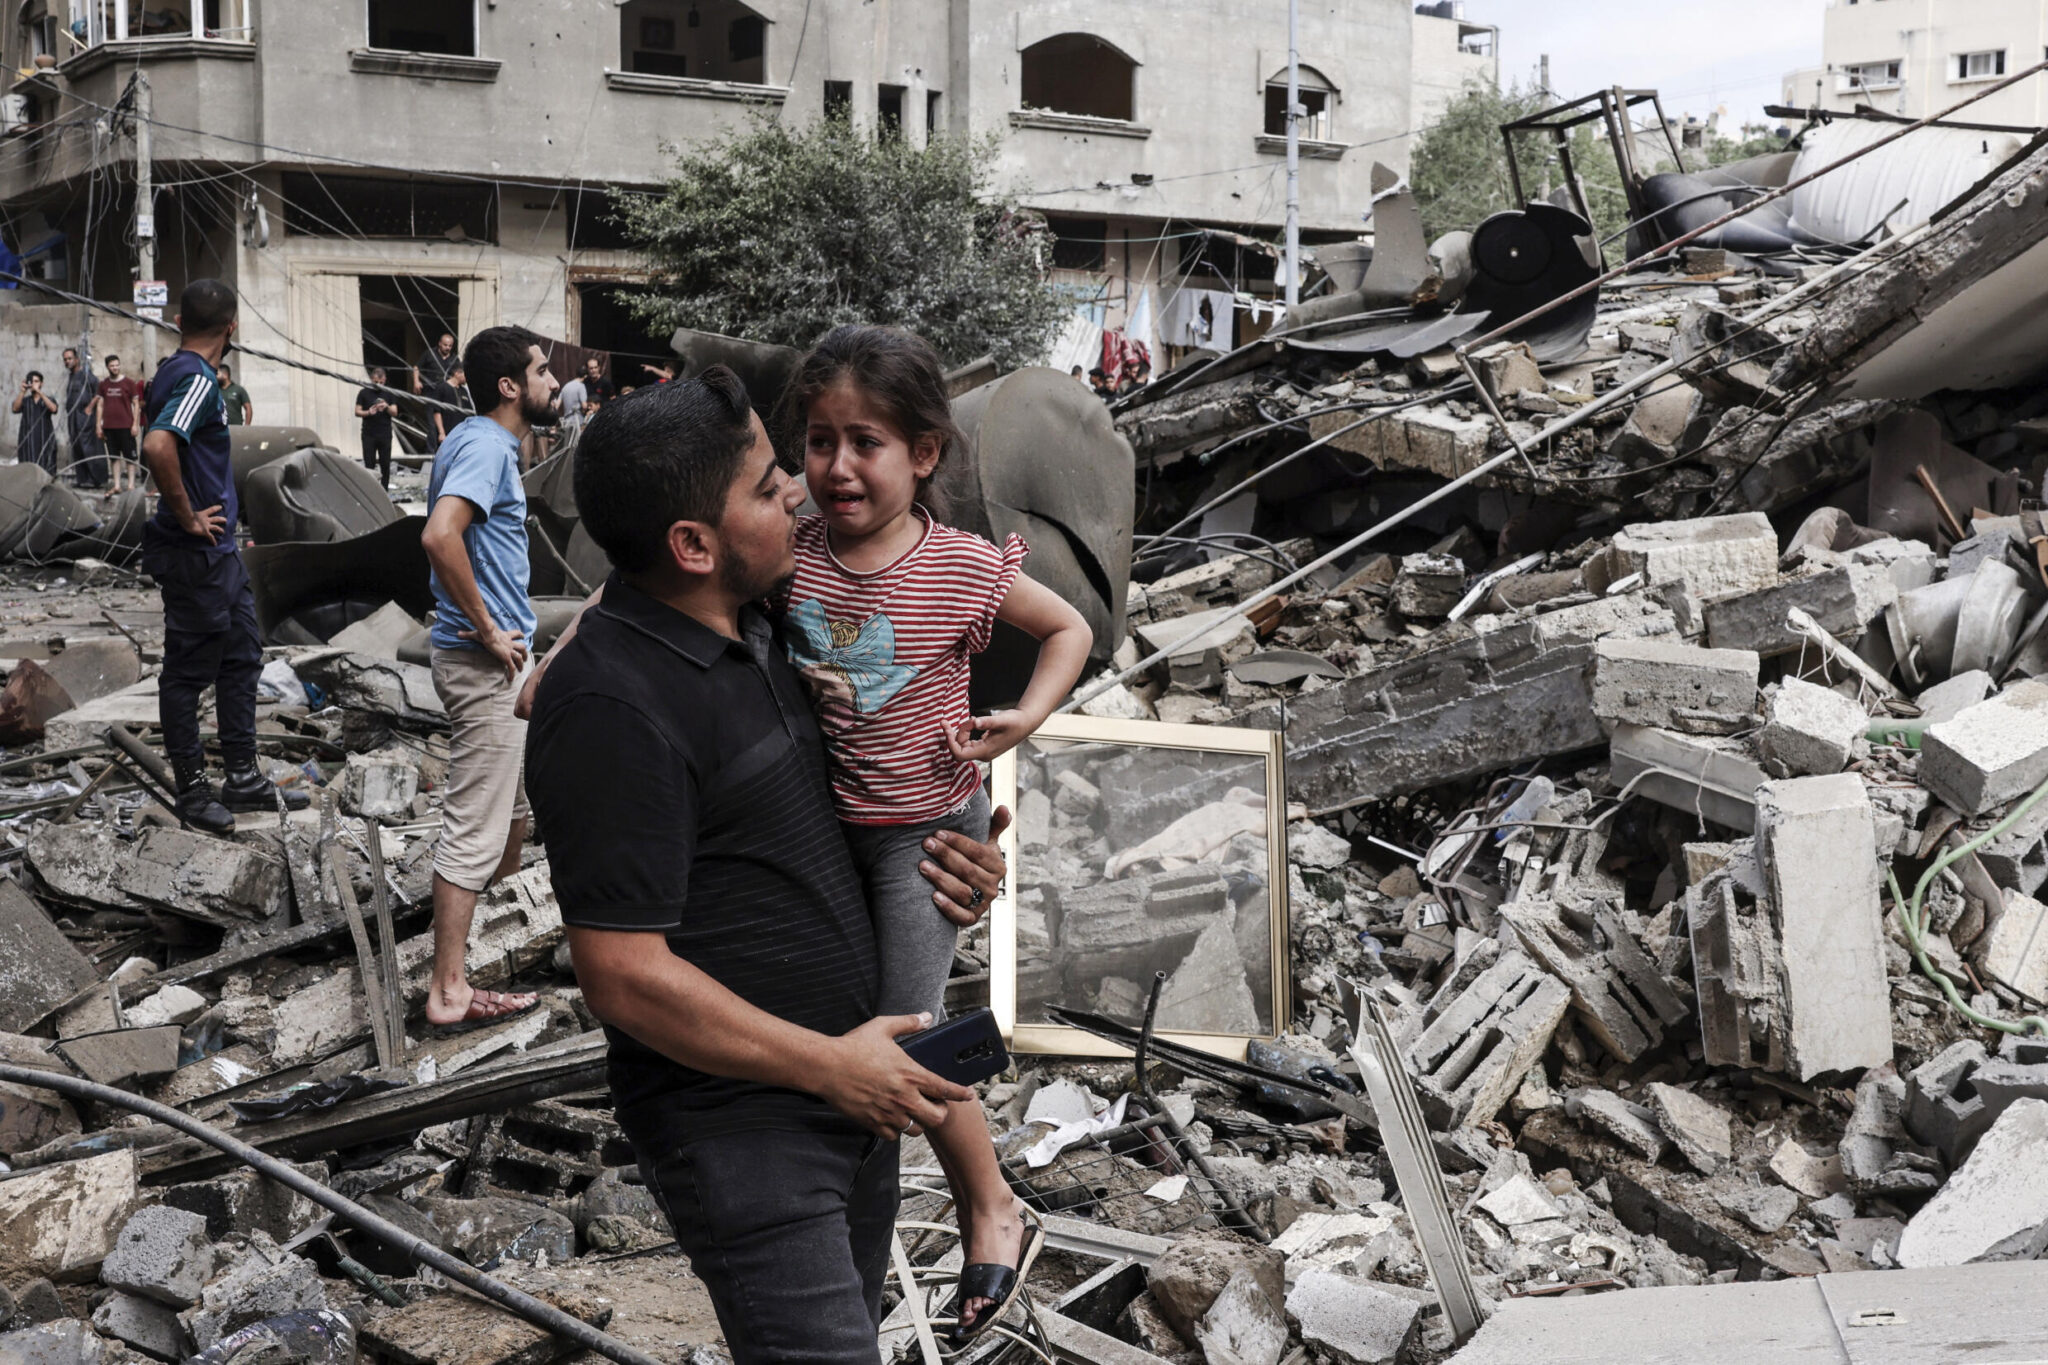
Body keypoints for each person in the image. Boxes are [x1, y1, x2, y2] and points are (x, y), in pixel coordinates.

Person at [524, 370, 1010, 1364]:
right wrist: (829, 1065)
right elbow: (621, 973)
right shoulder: (610, 707)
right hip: (745, 1130)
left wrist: (958, 856)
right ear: (692, 545)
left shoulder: (770, 621)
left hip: (854, 1089)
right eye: (763, 483)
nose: (797, 488)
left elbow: (875, 785)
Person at [780, 324, 1091, 1339]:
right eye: (818, 441)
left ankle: (987, 1206)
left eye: (863, 442)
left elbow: (1068, 629)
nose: (836, 467)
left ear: (923, 453)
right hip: (831, 828)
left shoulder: (960, 566)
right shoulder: (788, 554)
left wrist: (1029, 716)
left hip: (926, 832)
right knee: (866, 1025)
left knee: (903, 1033)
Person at [419, 326, 555, 1033]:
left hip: (501, 659)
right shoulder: (481, 444)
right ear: (510, 386)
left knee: (513, 815)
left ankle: (489, 954)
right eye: (541, 370)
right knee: (475, 825)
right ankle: (448, 990)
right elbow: (439, 535)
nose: (554, 382)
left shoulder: (489, 445)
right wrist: (486, 626)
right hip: (483, 664)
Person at [138, 280, 308, 833]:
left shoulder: (171, 370)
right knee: (187, 675)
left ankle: (242, 777)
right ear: (231, 327)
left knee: (242, 656)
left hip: (221, 554)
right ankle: (191, 792)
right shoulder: (197, 379)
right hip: (196, 553)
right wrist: (188, 515)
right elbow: (159, 445)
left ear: (180, 320)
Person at [96, 354, 143, 493]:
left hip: (126, 426)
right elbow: (100, 405)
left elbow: (136, 404)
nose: (115, 368)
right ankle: (117, 485)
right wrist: (98, 425)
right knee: (114, 458)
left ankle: (130, 485)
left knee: (130, 457)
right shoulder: (103, 384)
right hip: (109, 427)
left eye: (117, 365)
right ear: (107, 367)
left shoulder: (129, 383)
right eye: (112, 366)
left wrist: (135, 424)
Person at [61, 348, 103, 488]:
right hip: (73, 417)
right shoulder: (71, 376)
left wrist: (90, 407)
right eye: (65, 359)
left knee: (88, 447)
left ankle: (94, 478)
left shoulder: (86, 375)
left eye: (70, 358)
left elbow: (99, 391)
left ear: (76, 359)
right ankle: (82, 479)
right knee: (77, 446)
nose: (68, 361)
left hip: (84, 417)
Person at [355, 367, 396, 488]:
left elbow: (395, 412)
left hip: (385, 434)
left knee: (385, 465)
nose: (378, 385)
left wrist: (386, 406)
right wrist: (368, 412)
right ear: (372, 379)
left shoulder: (389, 393)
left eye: (381, 382)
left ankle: (384, 490)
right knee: (369, 465)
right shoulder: (364, 393)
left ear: (385, 380)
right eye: (375, 382)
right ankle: (371, 490)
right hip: (369, 434)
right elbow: (357, 411)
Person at [12, 371, 58, 474]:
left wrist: (40, 393)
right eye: (31, 382)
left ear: (41, 383)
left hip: (44, 439)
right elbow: (15, 408)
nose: (34, 384)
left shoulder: (48, 399)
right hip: (28, 440)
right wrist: (22, 391)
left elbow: (54, 409)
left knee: (46, 465)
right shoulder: (25, 401)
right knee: (27, 466)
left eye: (36, 381)